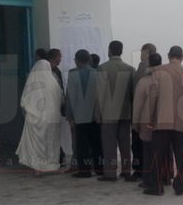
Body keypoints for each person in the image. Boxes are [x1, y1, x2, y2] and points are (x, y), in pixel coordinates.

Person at [145, 46, 183, 196]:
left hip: (162, 122)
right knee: (181, 157)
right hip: (182, 123)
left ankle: (156, 187)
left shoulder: (158, 72)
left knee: (157, 156)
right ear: (182, 57)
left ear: (169, 56)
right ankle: (180, 186)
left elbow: (152, 97)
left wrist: (150, 118)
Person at [16, 58, 63, 175]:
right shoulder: (53, 82)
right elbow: (61, 99)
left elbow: (24, 100)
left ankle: (38, 168)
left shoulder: (32, 82)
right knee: (51, 143)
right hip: (52, 118)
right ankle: (52, 166)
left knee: (37, 144)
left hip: (36, 119)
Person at [96, 40, 134, 181]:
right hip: (125, 112)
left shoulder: (102, 68)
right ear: (121, 51)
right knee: (125, 143)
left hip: (108, 113)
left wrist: (98, 113)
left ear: (109, 50)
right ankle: (126, 170)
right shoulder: (130, 69)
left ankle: (110, 173)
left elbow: (99, 94)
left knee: (109, 145)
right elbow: (133, 93)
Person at [66, 49, 100, 178]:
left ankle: (85, 171)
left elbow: (71, 98)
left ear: (77, 60)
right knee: (96, 143)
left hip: (80, 116)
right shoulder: (97, 74)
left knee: (82, 145)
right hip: (95, 116)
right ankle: (99, 169)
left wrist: (70, 117)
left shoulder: (73, 75)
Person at [133, 52, 163, 188]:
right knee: (164, 150)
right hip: (165, 120)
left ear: (149, 63)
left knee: (148, 151)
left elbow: (138, 104)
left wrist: (135, 122)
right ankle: (165, 177)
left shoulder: (144, 81)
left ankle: (148, 180)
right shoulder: (167, 80)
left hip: (147, 121)